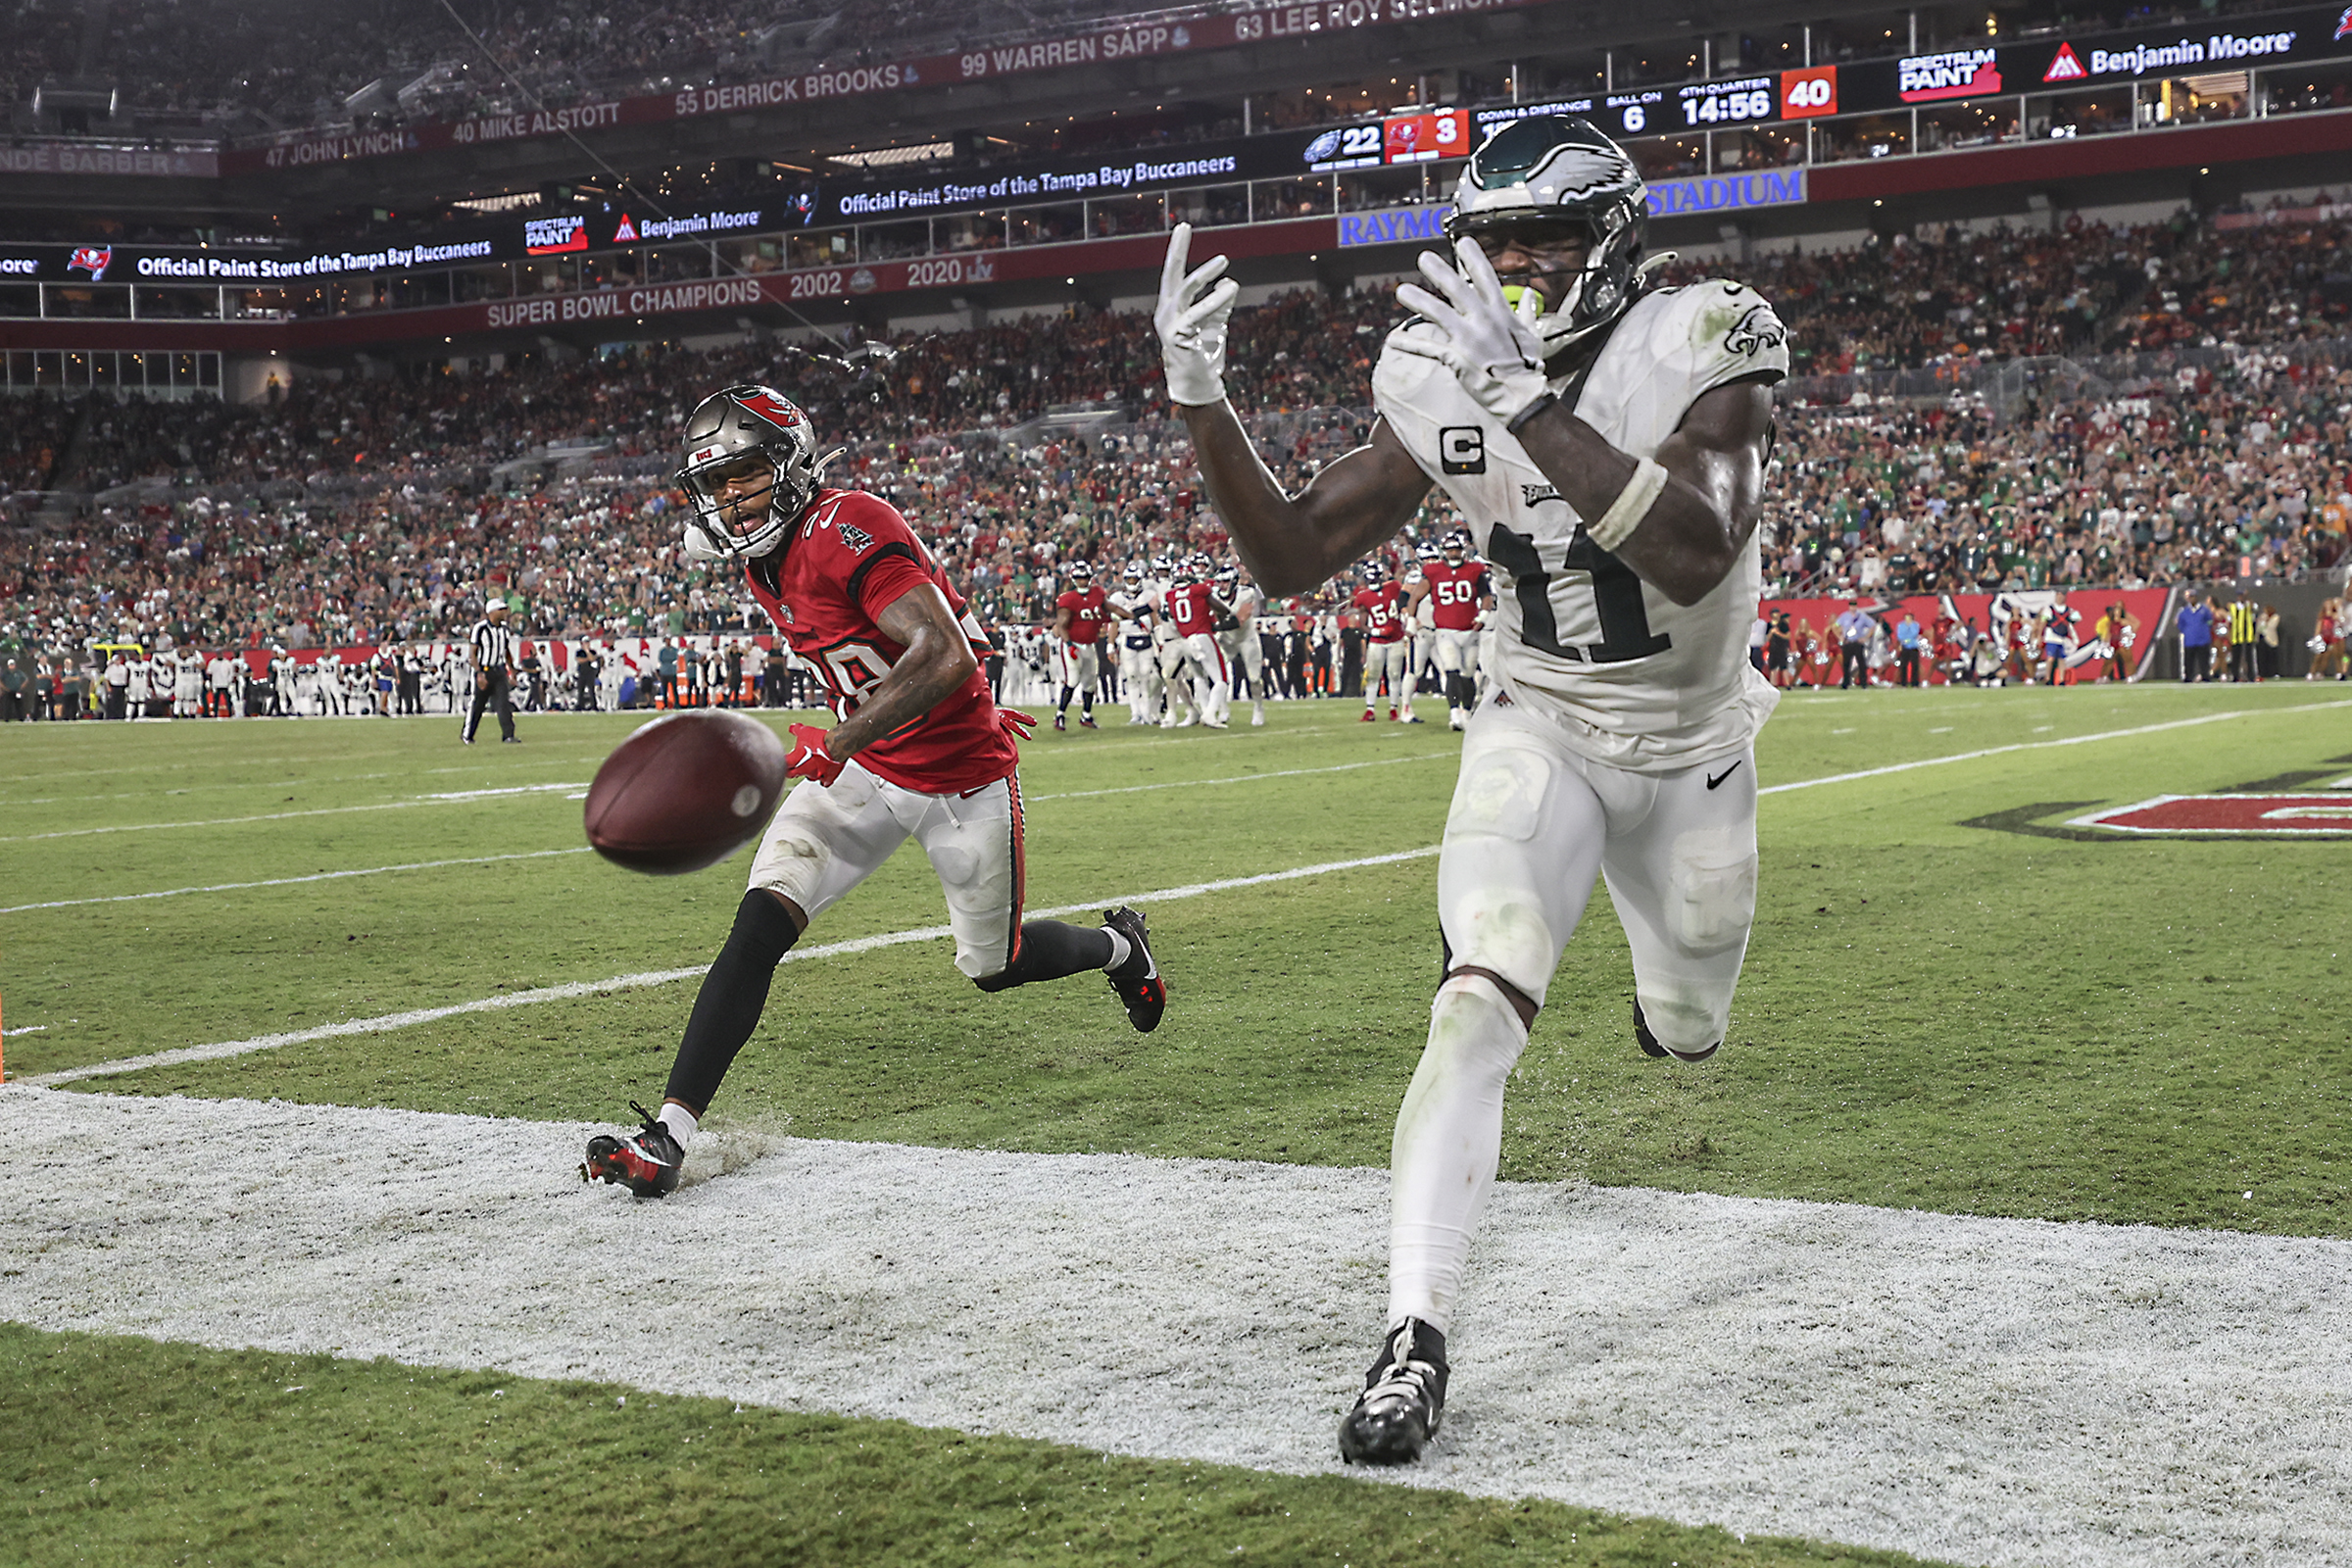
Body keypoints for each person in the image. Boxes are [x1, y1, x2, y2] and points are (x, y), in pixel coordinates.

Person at [1156, 114, 1785, 1465]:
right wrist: (1201, 398)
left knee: (1689, 1027)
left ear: (1613, 240)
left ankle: (1658, 997)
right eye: (1495, 239)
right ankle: (1413, 1337)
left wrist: (1534, 409)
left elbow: (1691, 549)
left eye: (1546, 236)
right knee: (1474, 999)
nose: (1516, 264)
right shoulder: (1438, 365)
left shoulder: (1709, 334)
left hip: (1692, 750)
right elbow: (1291, 556)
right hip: (1537, 719)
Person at [584, 383, 1168, 1199]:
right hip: (866, 775)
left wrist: (846, 735)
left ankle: (1120, 947)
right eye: (715, 485)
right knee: (759, 924)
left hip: (958, 782)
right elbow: (925, 635)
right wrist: (862, 740)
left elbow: (946, 651)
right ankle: (668, 1136)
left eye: (745, 474)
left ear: (788, 463)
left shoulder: (846, 524)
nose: (730, 498)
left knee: (992, 967)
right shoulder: (762, 557)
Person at [1405, 528, 1492, 730]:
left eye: (1456, 549)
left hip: (1470, 630)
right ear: (1444, 550)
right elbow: (1415, 596)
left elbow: (1486, 596)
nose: (1453, 553)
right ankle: (1454, 713)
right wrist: (1410, 619)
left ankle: (1467, 712)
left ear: (1463, 550)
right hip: (1445, 630)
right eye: (1450, 549)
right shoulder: (1433, 571)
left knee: (1469, 674)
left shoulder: (1474, 570)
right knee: (1451, 670)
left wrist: (1483, 615)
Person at [1351, 559, 1413, 721]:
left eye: (1375, 577)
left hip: (1396, 639)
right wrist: (1378, 631)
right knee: (1373, 675)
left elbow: (1404, 599)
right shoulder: (1363, 597)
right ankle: (1370, 709)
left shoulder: (1393, 587)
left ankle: (1393, 708)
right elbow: (1362, 624)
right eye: (1370, 578)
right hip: (1377, 641)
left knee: (1394, 675)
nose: (1373, 580)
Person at [1052, 559, 1108, 731]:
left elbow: (1104, 611)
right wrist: (1069, 644)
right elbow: (1061, 626)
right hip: (1073, 643)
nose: (1082, 581)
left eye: (1085, 578)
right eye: (1079, 578)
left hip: (1089, 644)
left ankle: (1086, 715)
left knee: (1091, 681)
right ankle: (1060, 714)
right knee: (1073, 680)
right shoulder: (1067, 599)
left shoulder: (1097, 593)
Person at [463, 600, 520, 744]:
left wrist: (511, 670)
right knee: (477, 705)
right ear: (492, 612)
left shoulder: (504, 629)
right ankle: (468, 735)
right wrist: (478, 673)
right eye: (501, 610)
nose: (504, 613)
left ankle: (508, 735)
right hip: (484, 670)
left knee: (503, 704)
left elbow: (506, 651)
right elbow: (473, 653)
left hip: (499, 670)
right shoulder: (480, 628)